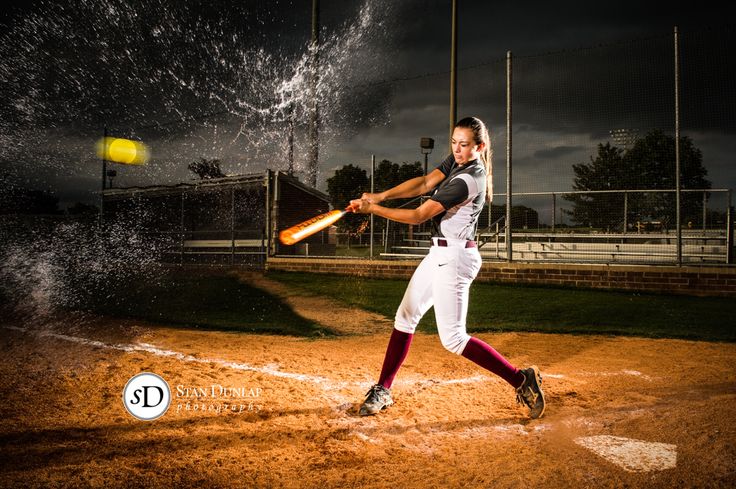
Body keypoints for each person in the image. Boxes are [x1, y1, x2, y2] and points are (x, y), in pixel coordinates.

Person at [348, 116, 545, 419]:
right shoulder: (458, 164)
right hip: (439, 253)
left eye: (464, 145)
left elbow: (418, 216)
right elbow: (426, 182)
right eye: (454, 142)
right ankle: (384, 388)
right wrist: (380, 195)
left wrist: (372, 209)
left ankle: (521, 379)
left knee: (453, 338)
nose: (457, 149)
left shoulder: (469, 178)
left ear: (479, 147)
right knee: (406, 315)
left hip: (454, 259)